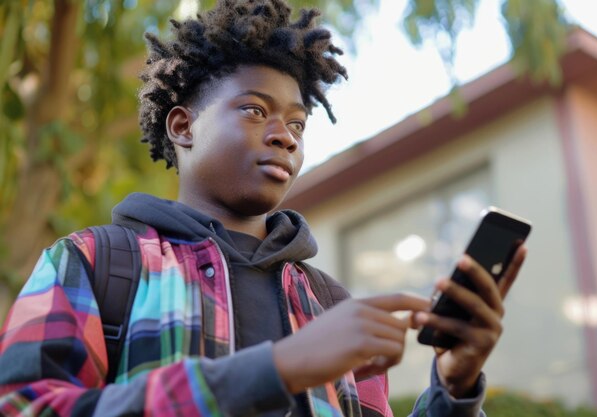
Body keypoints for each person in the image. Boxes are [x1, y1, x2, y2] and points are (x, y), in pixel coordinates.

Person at [0, 1, 526, 416]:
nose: (284, 137)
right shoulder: (94, 262)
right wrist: (276, 369)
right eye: (255, 110)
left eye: (297, 124)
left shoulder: (329, 303)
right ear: (183, 127)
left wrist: (454, 391)